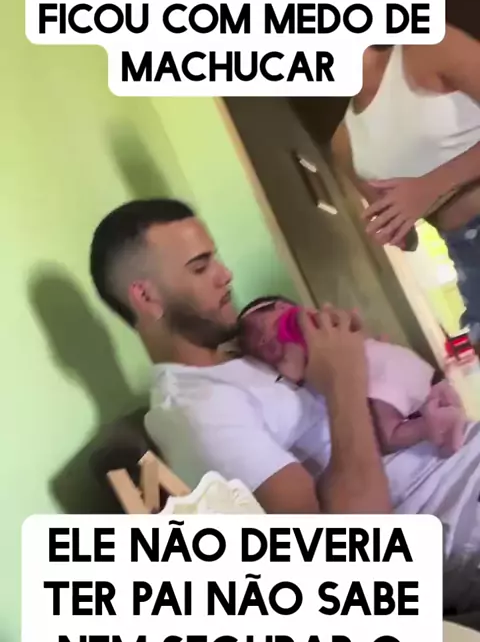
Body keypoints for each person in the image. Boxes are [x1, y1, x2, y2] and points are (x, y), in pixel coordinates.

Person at [90, 198, 480, 612]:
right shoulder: (196, 409)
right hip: (453, 519)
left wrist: (371, 362)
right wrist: (344, 380)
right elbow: (349, 551)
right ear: (147, 297)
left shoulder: (245, 353)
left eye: (215, 258)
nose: (225, 274)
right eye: (201, 267)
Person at [332, 25, 480, 349]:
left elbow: (419, 194)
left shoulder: (430, 48)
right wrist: (394, 228)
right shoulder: (343, 142)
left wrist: (431, 186)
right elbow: (406, 228)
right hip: (463, 250)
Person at [237, 295, 467, 456]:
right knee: (418, 395)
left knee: (388, 437)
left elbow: (295, 372)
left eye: (261, 334)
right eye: (259, 348)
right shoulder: (320, 327)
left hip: (378, 370)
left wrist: (285, 359)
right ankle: (442, 408)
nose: (265, 344)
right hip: (396, 361)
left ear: (283, 308)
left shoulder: (305, 336)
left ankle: (432, 424)